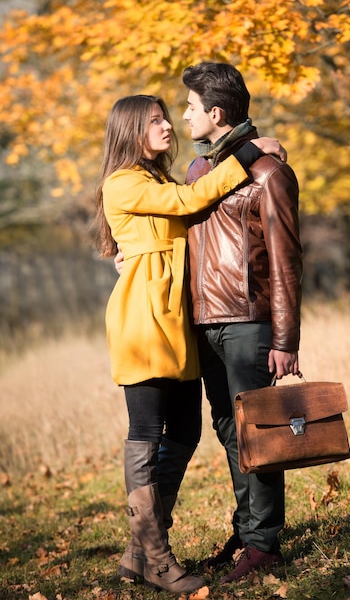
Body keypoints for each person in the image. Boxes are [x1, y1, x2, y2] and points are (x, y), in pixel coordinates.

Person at [95, 93, 287, 593]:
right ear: (131, 131)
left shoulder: (159, 178)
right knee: (147, 431)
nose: (167, 125)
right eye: (155, 119)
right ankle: (156, 558)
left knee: (184, 431)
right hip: (145, 320)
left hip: (178, 319)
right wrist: (249, 152)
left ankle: (139, 552)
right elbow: (186, 205)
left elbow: (187, 221)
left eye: (166, 116)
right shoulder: (123, 182)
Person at [182, 62, 303, 583]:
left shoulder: (269, 173)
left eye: (189, 107)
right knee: (231, 431)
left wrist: (285, 338)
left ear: (215, 112)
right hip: (204, 323)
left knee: (260, 434)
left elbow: (286, 259)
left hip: (249, 322)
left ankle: (264, 545)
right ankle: (248, 530)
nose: (183, 115)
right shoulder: (196, 173)